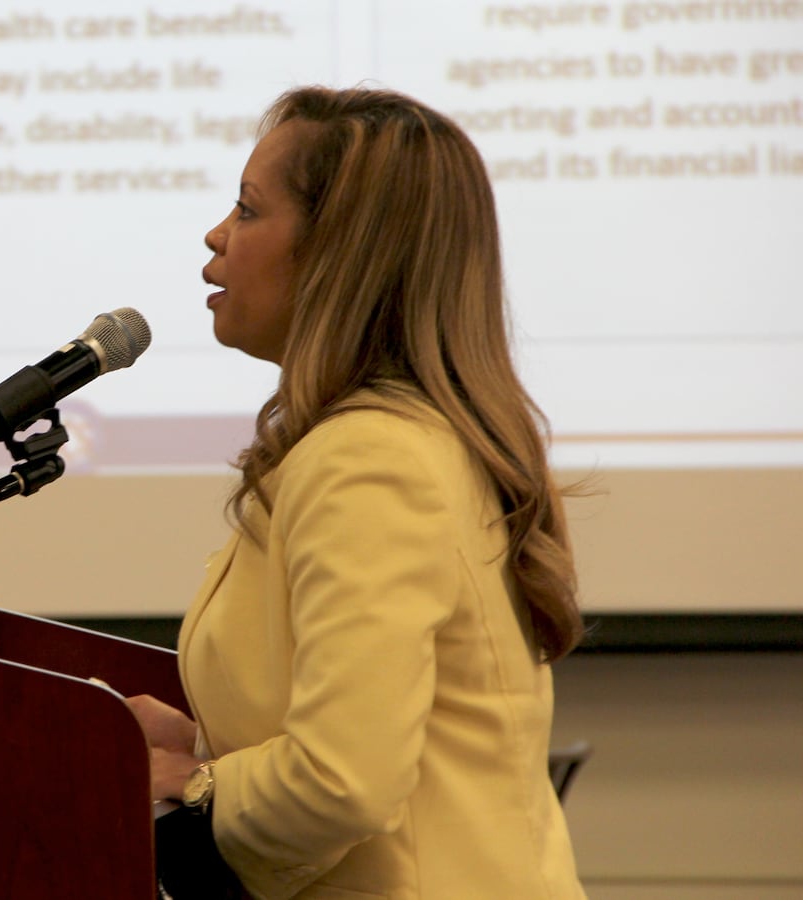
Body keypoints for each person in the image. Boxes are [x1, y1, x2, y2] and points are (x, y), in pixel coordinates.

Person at [127, 86, 589, 899]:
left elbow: (342, 778)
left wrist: (190, 788)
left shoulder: (370, 458)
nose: (215, 234)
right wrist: (201, 744)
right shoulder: (393, 438)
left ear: (338, 250)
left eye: (246, 209)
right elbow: (357, 724)